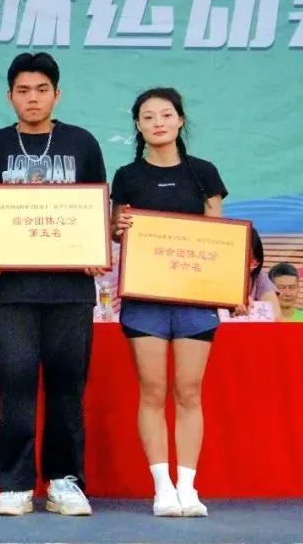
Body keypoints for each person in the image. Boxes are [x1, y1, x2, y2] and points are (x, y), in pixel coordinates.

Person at [0, 53, 106, 517]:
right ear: (10, 96)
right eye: (23, 91)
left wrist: (94, 246)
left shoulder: (82, 143)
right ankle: (15, 484)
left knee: (67, 386)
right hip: (10, 291)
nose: (33, 98)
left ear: (57, 94)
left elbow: (96, 206)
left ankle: (64, 482)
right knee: (14, 381)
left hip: (70, 290)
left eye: (42, 90)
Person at [111, 88, 228, 517]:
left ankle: (188, 487)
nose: (157, 122)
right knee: (153, 390)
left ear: (180, 120)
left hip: (194, 300)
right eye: (147, 117)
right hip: (145, 301)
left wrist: (226, 289)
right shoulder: (127, 176)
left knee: (189, 390)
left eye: (165, 114)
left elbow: (219, 240)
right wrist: (118, 227)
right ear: (138, 126)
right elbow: (115, 232)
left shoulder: (204, 173)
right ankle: (162, 487)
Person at [247, 228, 282, 321]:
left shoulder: (259, 276)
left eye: (252, 261)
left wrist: (251, 312)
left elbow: (276, 317)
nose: (248, 267)